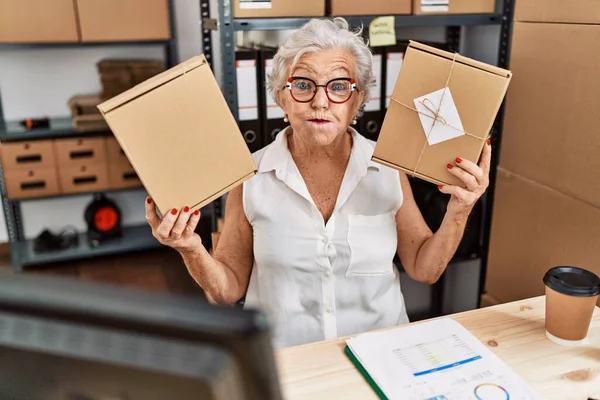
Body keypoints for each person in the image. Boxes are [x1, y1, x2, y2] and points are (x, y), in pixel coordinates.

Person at [144, 17, 491, 350]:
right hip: (287, 362)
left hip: (381, 353)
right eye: (303, 85)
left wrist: (459, 211)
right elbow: (228, 290)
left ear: (357, 101)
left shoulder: (387, 167)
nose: (320, 101)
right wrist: (190, 249)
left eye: (339, 86)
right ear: (281, 97)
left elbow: (423, 267)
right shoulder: (250, 174)